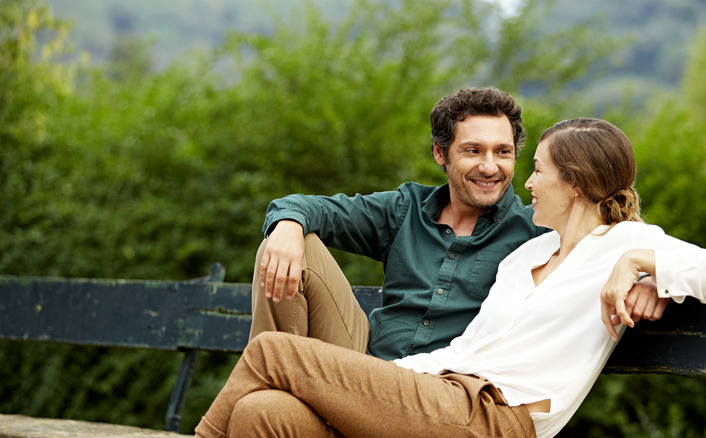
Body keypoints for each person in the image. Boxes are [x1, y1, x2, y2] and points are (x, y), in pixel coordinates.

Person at [195, 118, 706, 437]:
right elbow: (469, 348)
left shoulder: (626, 241)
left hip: (497, 418)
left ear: (574, 182)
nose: (528, 184)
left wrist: (641, 267)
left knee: (275, 352)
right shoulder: (524, 258)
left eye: (536, 170)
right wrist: (369, 383)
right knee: (262, 415)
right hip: (444, 394)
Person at [249, 87, 664, 360]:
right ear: (440, 154)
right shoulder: (404, 208)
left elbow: (615, 239)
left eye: (503, 152)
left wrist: (648, 276)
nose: (490, 166)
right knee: (282, 245)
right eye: (473, 150)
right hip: (361, 357)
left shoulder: (538, 233)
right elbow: (306, 207)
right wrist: (287, 223)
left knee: (267, 406)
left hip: (438, 391)